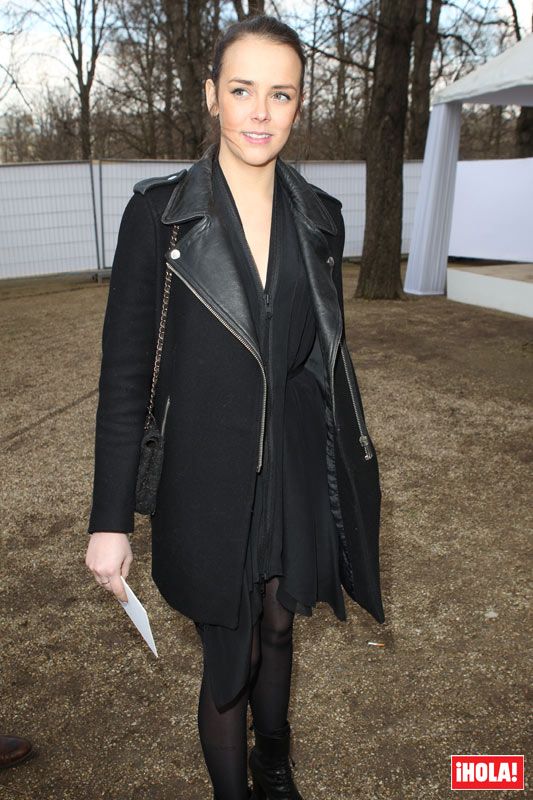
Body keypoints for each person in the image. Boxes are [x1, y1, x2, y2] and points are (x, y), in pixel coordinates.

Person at [85, 14, 385, 800]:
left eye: (279, 94)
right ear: (212, 95)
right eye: (243, 89)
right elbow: (124, 381)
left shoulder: (321, 217)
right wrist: (108, 520)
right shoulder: (160, 214)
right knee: (231, 651)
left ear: (297, 105)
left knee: (281, 621)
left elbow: (323, 358)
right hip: (205, 474)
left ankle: (274, 759)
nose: (260, 111)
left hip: (292, 459)